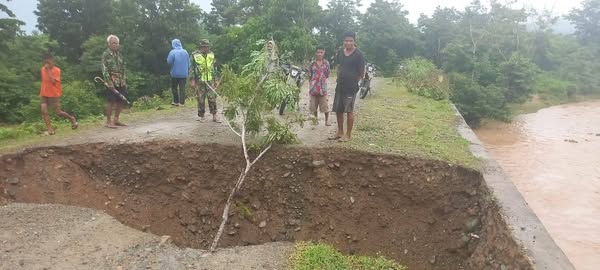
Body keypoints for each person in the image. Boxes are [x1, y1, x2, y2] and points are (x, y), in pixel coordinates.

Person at [331, 32, 365, 142]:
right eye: (346, 40)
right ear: (343, 41)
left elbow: (361, 72)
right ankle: (340, 132)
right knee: (338, 110)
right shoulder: (340, 52)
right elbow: (339, 66)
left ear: (354, 41)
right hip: (340, 85)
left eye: (350, 41)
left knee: (349, 110)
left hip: (351, 87)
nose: (348, 43)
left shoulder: (358, 54)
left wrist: (355, 81)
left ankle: (348, 135)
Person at [39, 54, 78, 135]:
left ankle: (72, 119)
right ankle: (50, 129)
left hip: (54, 93)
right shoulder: (42, 69)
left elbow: (53, 82)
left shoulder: (57, 70)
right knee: (44, 111)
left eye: (49, 62)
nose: (48, 64)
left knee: (58, 112)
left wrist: (48, 70)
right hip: (44, 92)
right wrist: (46, 69)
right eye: (46, 62)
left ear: (53, 61)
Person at [190, 39, 220, 123]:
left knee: (212, 98)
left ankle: (214, 115)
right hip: (199, 81)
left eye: (208, 46)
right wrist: (192, 80)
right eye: (205, 47)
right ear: (201, 47)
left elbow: (214, 67)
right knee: (200, 99)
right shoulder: (194, 55)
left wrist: (216, 79)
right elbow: (191, 68)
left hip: (210, 80)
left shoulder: (211, 54)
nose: (207, 48)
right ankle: (202, 116)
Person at [101, 34, 128, 128]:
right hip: (111, 81)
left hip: (121, 81)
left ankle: (116, 119)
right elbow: (104, 69)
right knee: (110, 101)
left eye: (116, 43)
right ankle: (108, 121)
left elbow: (124, 68)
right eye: (113, 43)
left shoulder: (119, 54)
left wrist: (124, 80)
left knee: (121, 100)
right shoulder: (106, 55)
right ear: (109, 44)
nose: (115, 45)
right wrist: (109, 82)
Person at [308, 47, 331, 126]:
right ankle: (315, 120)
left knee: (325, 106)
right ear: (316, 53)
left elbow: (327, 74)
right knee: (313, 106)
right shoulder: (312, 63)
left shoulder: (326, 63)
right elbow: (309, 75)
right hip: (313, 88)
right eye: (318, 52)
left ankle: (327, 121)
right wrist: (311, 85)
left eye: (321, 52)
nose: (319, 54)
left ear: (324, 53)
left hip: (322, 89)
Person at [167, 38, 189, 106]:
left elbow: (169, 61)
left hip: (175, 73)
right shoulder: (185, 51)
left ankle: (176, 101)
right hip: (184, 73)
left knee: (174, 87)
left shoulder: (172, 52)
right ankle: (182, 102)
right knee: (182, 88)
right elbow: (189, 62)